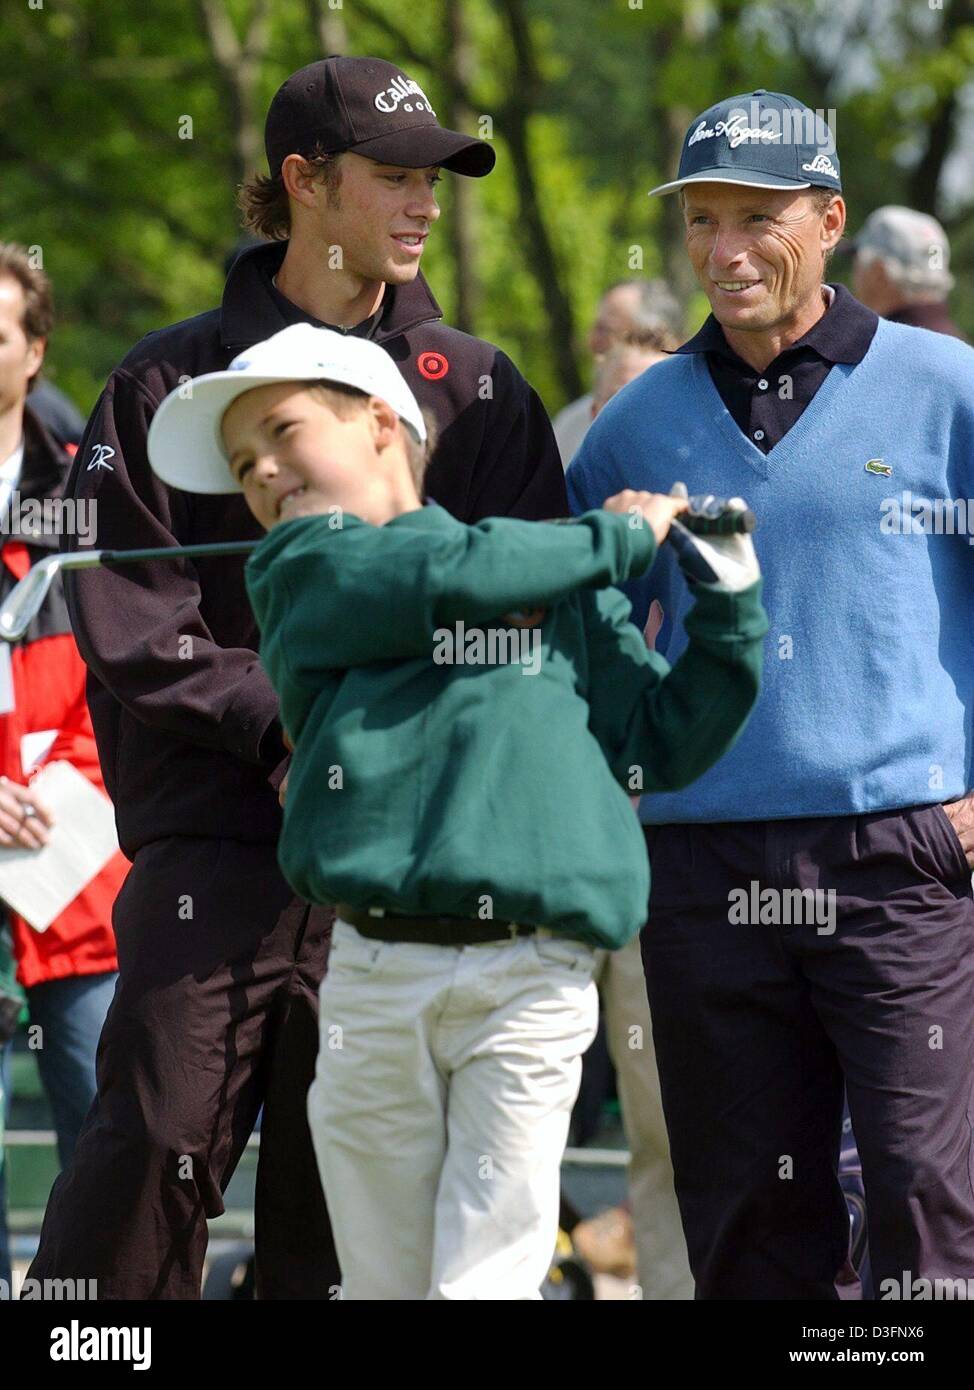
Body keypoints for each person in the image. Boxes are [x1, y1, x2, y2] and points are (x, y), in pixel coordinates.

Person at [28, 55, 566, 1301]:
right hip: (216, 855)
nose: (426, 202)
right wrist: (301, 731)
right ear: (303, 183)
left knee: (348, 1201)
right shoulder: (163, 389)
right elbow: (131, 618)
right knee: (149, 1145)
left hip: (404, 862)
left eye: (436, 176)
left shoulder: (478, 393)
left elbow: (532, 610)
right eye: (393, 175)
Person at [145, 321, 768, 1298]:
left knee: (485, 1278)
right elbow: (448, 575)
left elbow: (658, 742)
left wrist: (728, 606)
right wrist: (609, 538)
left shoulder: (548, 570)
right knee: (385, 1284)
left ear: (382, 424)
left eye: (280, 430)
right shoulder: (301, 570)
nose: (261, 470)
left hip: (532, 977)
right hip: (371, 973)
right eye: (241, 463)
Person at [568, 87, 974, 1299]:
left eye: (756, 217)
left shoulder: (944, 385)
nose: (723, 251)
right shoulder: (630, 425)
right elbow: (578, 627)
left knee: (921, 1193)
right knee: (743, 1206)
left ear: (830, 218)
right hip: (701, 866)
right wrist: (619, 787)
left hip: (900, 854)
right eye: (700, 221)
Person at [0, 245, 125, 1279]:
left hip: (75, 870)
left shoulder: (90, 495)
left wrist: (58, 790)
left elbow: (131, 667)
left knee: (109, 1141)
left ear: (34, 352)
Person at [570, 332, 693, 1299]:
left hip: (759, 845)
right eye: (616, 404)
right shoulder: (580, 512)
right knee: (658, 1123)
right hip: (625, 849)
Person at [552, 281, 680, 467]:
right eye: (615, 400)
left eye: (606, 330)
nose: (592, 340)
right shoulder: (571, 425)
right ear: (595, 412)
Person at [851, 205, 965, 340]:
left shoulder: (879, 351)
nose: (854, 275)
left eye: (855, 260)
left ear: (878, 273)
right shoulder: (963, 349)